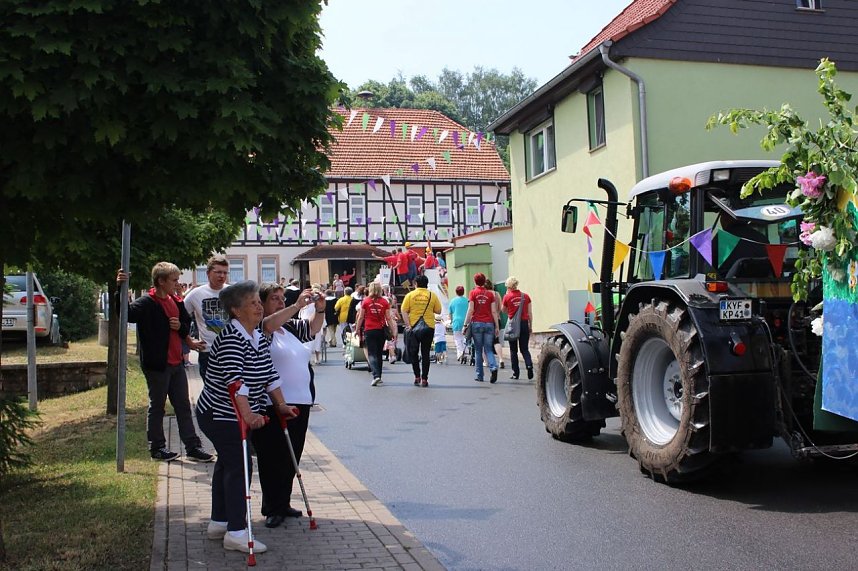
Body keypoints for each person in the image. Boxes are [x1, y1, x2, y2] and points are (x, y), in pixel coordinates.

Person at [195, 281, 298, 554]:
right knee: (240, 468)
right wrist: (250, 415)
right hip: (221, 413)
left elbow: (269, 374)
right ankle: (237, 531)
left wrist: (282, 405)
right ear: (237, 311)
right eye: (253, 303)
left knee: (227, 465)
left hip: (232, 413)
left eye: (257, 302)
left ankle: (219, 521)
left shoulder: (255, 336)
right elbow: (235, 383)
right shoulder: (231, 338)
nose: (258, 306)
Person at [117, 263, 213, 462]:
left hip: (176, 362)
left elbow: (186, 324)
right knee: (158, 406)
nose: (177, 284)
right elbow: (127, 314)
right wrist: (121, 288)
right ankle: (157, 448)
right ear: (161, 281)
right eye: (174, 280)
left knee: (183, 405)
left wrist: (180, 327)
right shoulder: (147, 302)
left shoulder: (174, 300)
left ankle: (193, 447)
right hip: (157, 364)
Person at [253, 282, 325, 528]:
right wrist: (296, 305)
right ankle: (271, 506)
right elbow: (270, 323)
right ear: (262, 303)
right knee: (272, 455)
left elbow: (314, 328)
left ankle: (283, 501)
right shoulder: (262, 327)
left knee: (292, 454)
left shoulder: (291, 327)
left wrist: (321, 309)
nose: (281, 302)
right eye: (275, 298)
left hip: (301, 399)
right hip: (274, 401)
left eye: (283, 298)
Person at [183, 255, 230, 381]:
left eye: (225, 272)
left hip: (232, 351)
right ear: (208, 273)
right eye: (218, 272)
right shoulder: (195, 294)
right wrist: (189, 341)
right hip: (208, 352)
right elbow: (180, 318)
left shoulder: (233, 292)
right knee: (211, 392)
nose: (222, 276)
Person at [401, 274, 442, 387]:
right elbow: (438, 311)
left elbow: (404, 311)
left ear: (416, 284)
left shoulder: (410, 295)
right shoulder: (432, 295)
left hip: (414, 327)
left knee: (413, 352)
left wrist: (408, 324)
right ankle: (425, 378)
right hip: (429, 327)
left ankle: (417, 376)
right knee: (425, 353)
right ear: (427, 284)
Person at [355, 282, 397, 386]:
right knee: (379, 353)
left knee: (372, 353)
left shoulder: (366, 301)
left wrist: (357, 329)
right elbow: (388, 318)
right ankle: (379, 375)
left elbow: (361, 317)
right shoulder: (384, 302)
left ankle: (376, 375)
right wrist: (393, 330)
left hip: (369, 329)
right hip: (381, 330)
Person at [463, 273, 500, 383]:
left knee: (478, 350)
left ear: (475, 282)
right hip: (489, 323)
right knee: (488, 348)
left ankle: (480, 375)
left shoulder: (473, 293)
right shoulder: (490, 294)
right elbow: (494, 311)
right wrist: (497, 326)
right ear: (484, 281)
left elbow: (470, 310)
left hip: (477, 323)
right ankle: (493, 367)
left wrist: (465, 324)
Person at [502, 277, 534, 380]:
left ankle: (516, 373)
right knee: (524, 348)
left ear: (509, 286)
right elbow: (530, 313)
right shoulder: (526, 296)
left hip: (513, 325)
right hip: (524, 324)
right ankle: (529, 365)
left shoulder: (507, 297)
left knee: (513, 350)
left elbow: (503, 310)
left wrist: (510, 313)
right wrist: (530, 325)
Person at [299, 285, 325, 364]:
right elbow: (301, 314)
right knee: (309, 342)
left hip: (314, 323)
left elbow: (321, 314)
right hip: (307, 323)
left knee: (315, 341)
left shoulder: (318, 303)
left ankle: (316, 358)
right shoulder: (306, 302)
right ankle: (311, 358)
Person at [485, 281, 505, 370]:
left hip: (487, 319)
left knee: (486, 342)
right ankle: (501, 360)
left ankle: (487, 361)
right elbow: (501, 307)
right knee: (496, 341)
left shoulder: (485, 294)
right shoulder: (497, 294)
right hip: (497, 318)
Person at [448, 285, 469, 363]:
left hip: (456, 322)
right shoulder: (467, 301)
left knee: (457, 339)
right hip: (466, 322)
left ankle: (460, 353)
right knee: (464, 338)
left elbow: (450, 313)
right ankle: (465, 352)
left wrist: (450, 321)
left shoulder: (453, 301)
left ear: (456, 292)